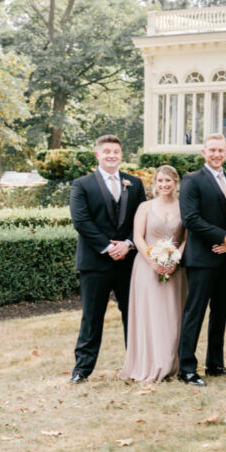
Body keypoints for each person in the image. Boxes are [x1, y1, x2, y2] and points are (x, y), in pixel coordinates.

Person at [69, 134, 146, 384]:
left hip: (127, 262)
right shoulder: (82, 184)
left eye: (116, 151)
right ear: (97, 155)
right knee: (92, 317)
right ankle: (82, 370)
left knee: (132, 315)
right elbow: (81, 221)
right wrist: (106, 247)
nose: (112, 155)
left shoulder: (134, 183)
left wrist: (127, 244)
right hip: (95, 263)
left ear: (121, 154)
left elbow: (142, 219)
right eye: (107, 152)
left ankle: (136, 365)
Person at [177, 133, 226, 386]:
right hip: (202, 258)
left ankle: (215, 364)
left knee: (220, 312)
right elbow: (190, 218)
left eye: (221, 150)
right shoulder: (192, 181)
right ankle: (187, 368)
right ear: (204, 152)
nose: (217, 154)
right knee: (195, 312)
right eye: (212, 150)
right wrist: (222, 236)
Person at [120, 165, 187, 383]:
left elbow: (186, 238)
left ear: (175, 183)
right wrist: (153, 261)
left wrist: (174, 258)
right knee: (150, 314)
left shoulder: (183, 206)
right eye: (160, 181)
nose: (164, 185)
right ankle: (147, 363)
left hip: (174, 269)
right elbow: (138, 237)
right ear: (155, 183)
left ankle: (169, 363)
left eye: (168, 181)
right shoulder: (145, 207)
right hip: (147, 268)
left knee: (172, 315)